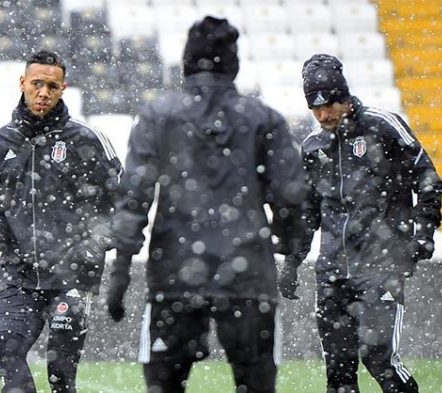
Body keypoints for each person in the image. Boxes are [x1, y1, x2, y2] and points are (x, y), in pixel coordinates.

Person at [104, 16, 308, 393]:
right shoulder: (263, 119)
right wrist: (289, 244)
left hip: (175, 274)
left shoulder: (157, 116)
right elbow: (289, 197)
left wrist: (119, 272)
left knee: (164, 386)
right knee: (257, 383)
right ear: (233, 64)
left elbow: (134, 197)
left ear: (186, 61)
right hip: (247, 274)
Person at [278, 54, 442, 393]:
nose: (323, 115)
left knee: (380, 360)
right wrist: (292, 262)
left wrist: (423, 234)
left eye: (329, 105)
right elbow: (307, 213)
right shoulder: (312, 147)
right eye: (315, 108)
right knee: (339, 375)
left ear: (345, 97)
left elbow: (427, 178)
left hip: (381, 266)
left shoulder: (384, 126)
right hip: (332, 274)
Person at [0, 49, 122, 393]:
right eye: (37, 84)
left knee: (60, 371)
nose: (43, 93)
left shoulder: (87, 140)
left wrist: (93, 244)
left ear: (63, 89)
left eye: (52, 87)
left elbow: (122, 207)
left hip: (70, 275)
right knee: (5, 347)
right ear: (23, 83)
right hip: (18, 272)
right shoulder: (0, 142)